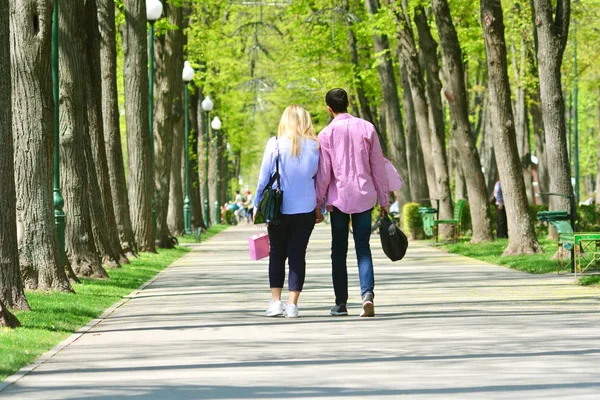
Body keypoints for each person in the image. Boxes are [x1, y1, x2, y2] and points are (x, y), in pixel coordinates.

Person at [315, 88, 389, 318]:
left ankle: (341, 303)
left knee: (338, 251)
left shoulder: (325, 134)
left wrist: (318, 204)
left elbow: (324, 174)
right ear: (348, 103)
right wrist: (384, 199)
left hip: (338, 200)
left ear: (328, 109)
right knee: (363, 248)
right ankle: (367, 295)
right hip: (365, 196)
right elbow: (378, 165)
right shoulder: (367, 128)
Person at [254, 105, 320, 318]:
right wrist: (321, 205)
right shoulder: (316, 147)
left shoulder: (274, 144)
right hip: (306, 208)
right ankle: (292, 305)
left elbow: (264, 178)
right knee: (297, 255)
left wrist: (257, 205)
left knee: (277, 255)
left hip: (278, 209)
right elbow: (321, 179)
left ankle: (276, 302)